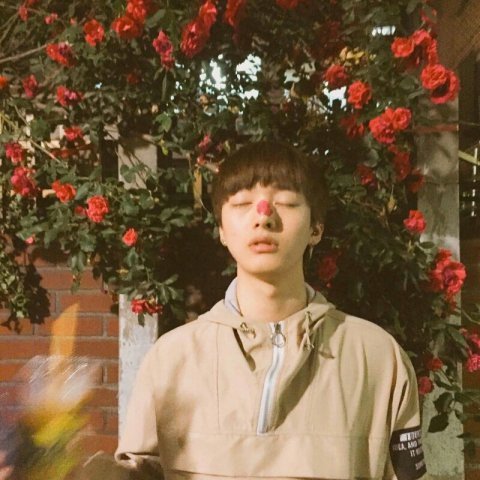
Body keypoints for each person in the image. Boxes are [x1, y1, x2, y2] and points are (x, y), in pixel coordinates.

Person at [114, 142, 426, 480]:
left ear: (316, 229)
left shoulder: (376, 357)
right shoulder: (172, 359)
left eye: (287, 202)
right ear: (222, 230)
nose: (263, 216)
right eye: (242, 203)